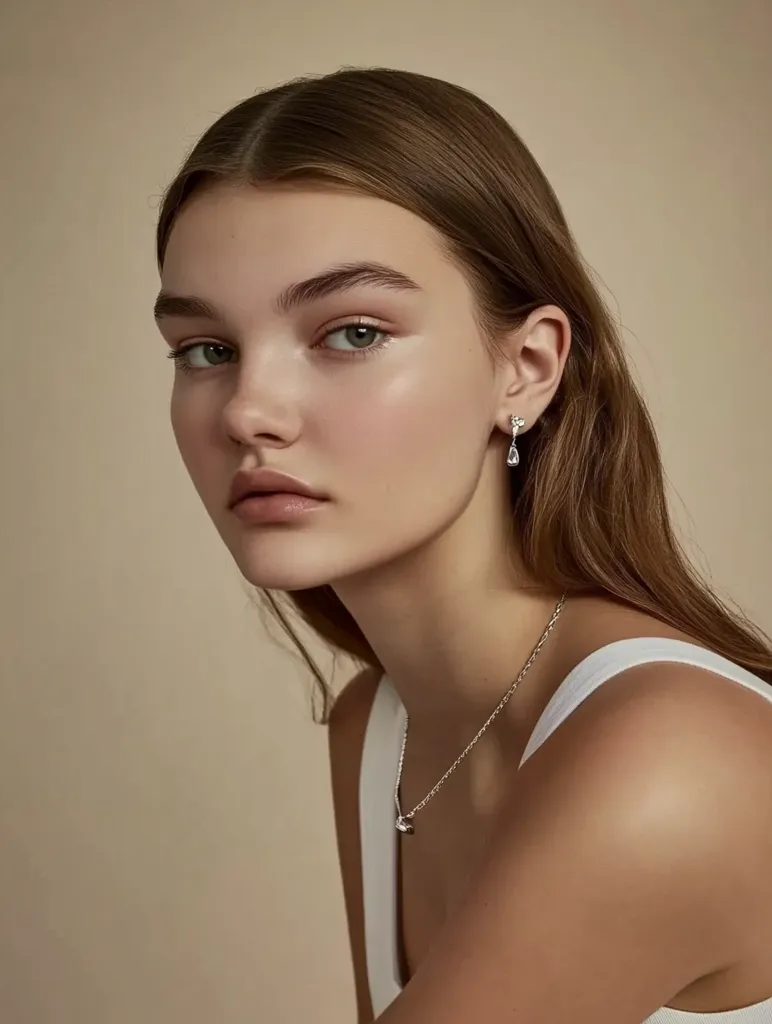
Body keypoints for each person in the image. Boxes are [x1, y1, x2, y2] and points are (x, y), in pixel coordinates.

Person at [153, 67, 772, 1024]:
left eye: (351, 332)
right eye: (206, 349)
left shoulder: (668, 760)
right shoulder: (381, 726)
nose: (247, 411)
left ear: (525, 369)